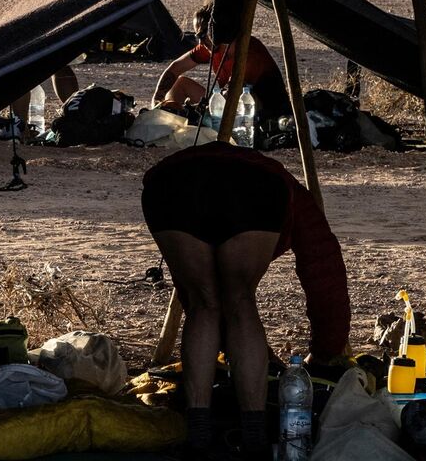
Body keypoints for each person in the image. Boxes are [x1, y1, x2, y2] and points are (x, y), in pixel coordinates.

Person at [141, 142, 349, 458]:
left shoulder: (280, 189)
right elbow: (324, 273)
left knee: (202, 303)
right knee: (240, 300)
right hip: (254, 190)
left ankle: (198, 432)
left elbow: (191, 292)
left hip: (170, 187)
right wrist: (325, 352)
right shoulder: (292, 195)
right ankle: (254, 435)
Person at [152, 2, 290, 128]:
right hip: (227, 103)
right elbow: (176, 68)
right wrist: (158, 100)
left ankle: (183, 119)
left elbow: (231, 95)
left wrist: (187, 110)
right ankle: (170, 121)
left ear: (218, 31)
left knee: (243, 97)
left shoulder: (248, 53)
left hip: (261, 114)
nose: (200, 43)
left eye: (202, 35)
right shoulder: (212, 46)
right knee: (180, 84)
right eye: (197, 37)